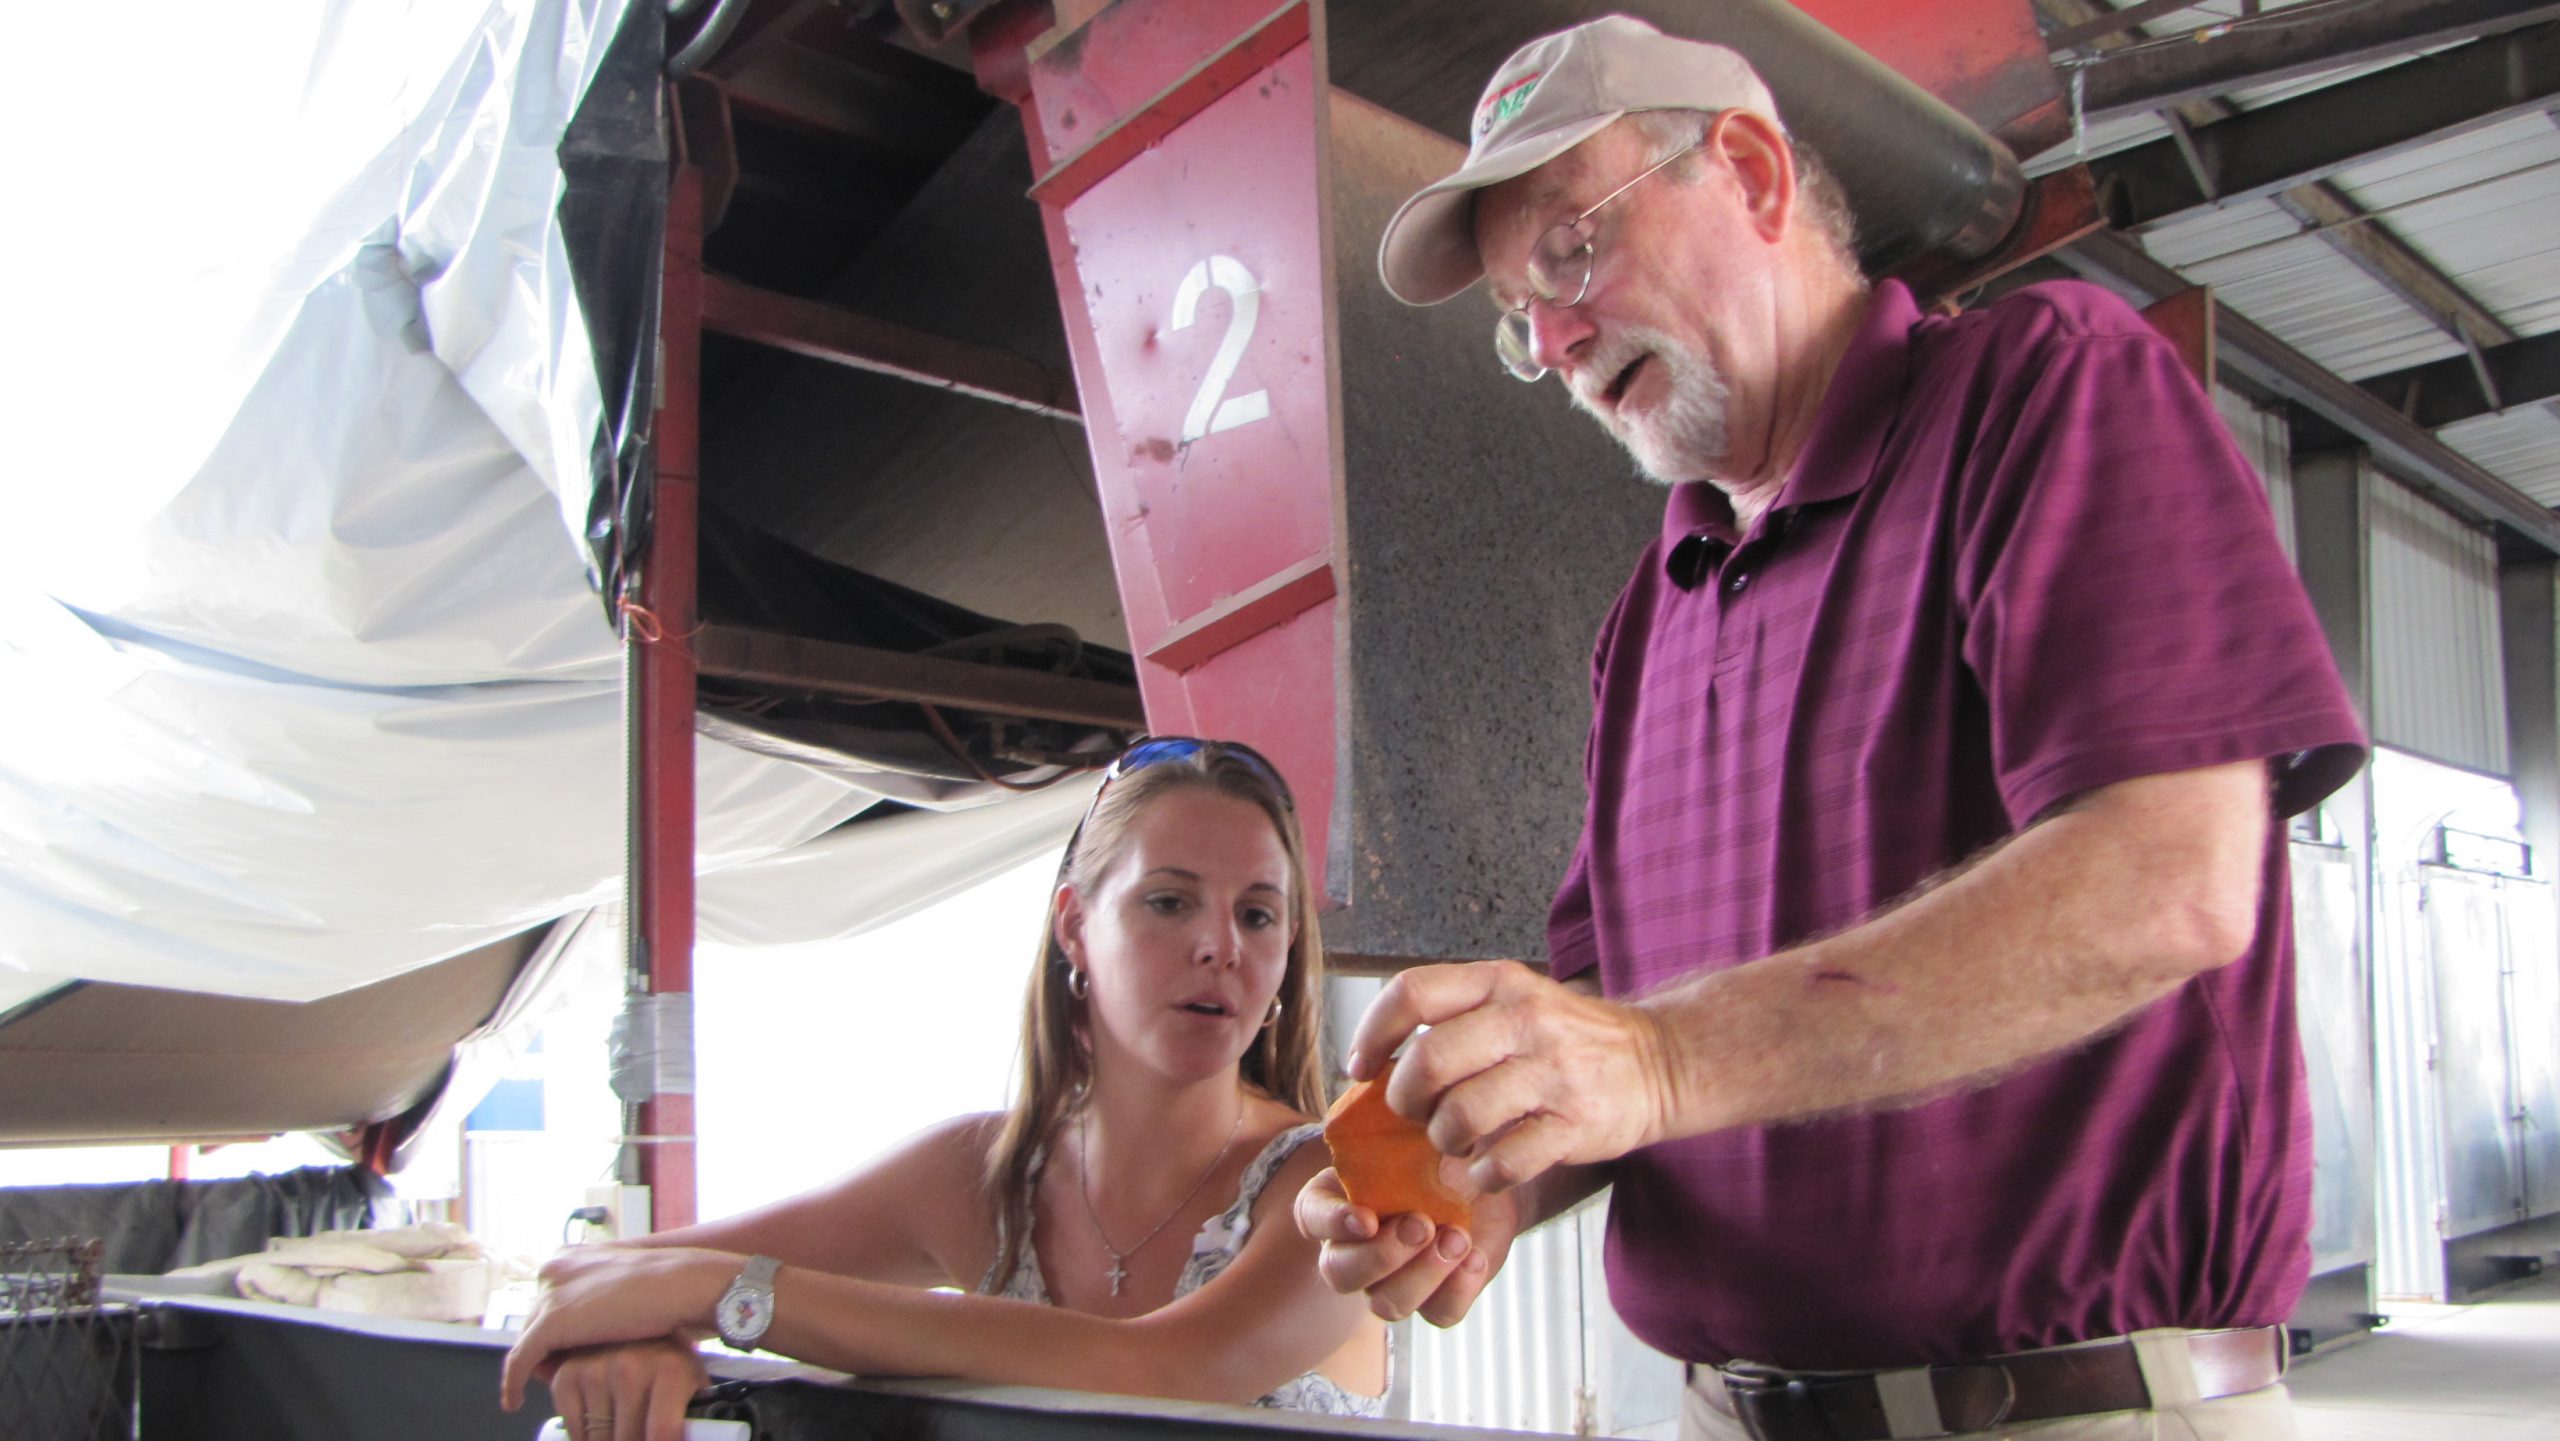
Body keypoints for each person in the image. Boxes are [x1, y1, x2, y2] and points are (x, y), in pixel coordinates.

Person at [1295, 15, 2367, 1441]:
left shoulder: (2041, 391)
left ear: (1747, 171)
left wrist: (1657, 1065)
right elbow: (1609, 1024)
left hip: (2062, 1411)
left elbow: (2166, 884)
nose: (1553, 341)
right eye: (1519, 317)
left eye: (1569, 251)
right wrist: (1493, 1176)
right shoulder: (1653, 611)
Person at [501, 738, 1387, 1441]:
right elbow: (603, 1275)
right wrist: (633, 1340)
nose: (1219, 946)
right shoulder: (980, 1174)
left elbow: (1168, 1372)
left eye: (1259, 913)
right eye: (1169, 901)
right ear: (1076, 927)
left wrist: (729, 1296)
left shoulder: (1338, 1186)